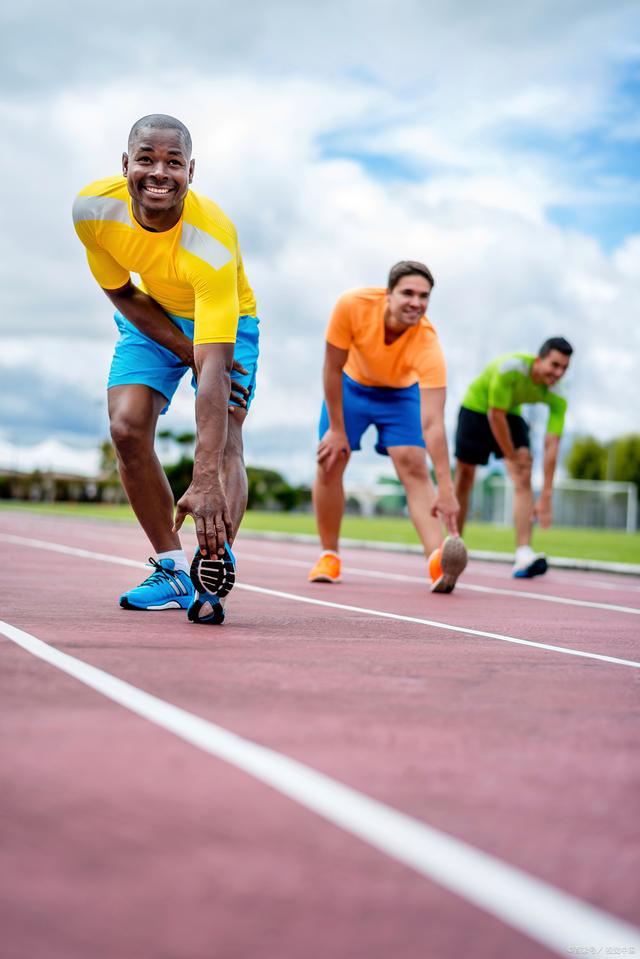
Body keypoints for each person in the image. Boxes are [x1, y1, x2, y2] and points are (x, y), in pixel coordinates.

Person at [73, 114, 259, 624]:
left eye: (173, 162)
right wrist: (179, 346)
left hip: (224, 322)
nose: (159, 172)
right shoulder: (93, 209)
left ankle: (211, 570)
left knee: (226, 437)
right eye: (147, 159)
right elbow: (121, 291)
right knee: (126, 427)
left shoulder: (212, 240)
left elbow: (215, 370)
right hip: (149, 313)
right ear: (125, 164)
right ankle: (173, 569)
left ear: (191, 171)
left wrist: (204, 480)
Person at [308, 260, 467, 594]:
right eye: (408, 293)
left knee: (413, 464)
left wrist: (447, 487)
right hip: (350, 384)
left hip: (399, 394)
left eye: (424, 296)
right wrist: (337, 429)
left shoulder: (428, 344)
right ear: (388, 294)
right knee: (331, 459)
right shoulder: (352, 305)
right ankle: (329, 555)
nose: (416, 302)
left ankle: (438, 561)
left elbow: (434, 422)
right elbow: (332, 367)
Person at [453, 338, 573, 578]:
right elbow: (494, 415)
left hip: (510, 413)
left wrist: (547, 494)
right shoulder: (510, 369)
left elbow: (552, 444)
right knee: (465, 477)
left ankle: (523, 554)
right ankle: (454, 545)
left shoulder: (558, 394)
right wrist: (510, 455)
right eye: (554, 365)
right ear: (539, 360)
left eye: (564, 368)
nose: (558, 373)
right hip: (477, 408)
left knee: (523, 476)